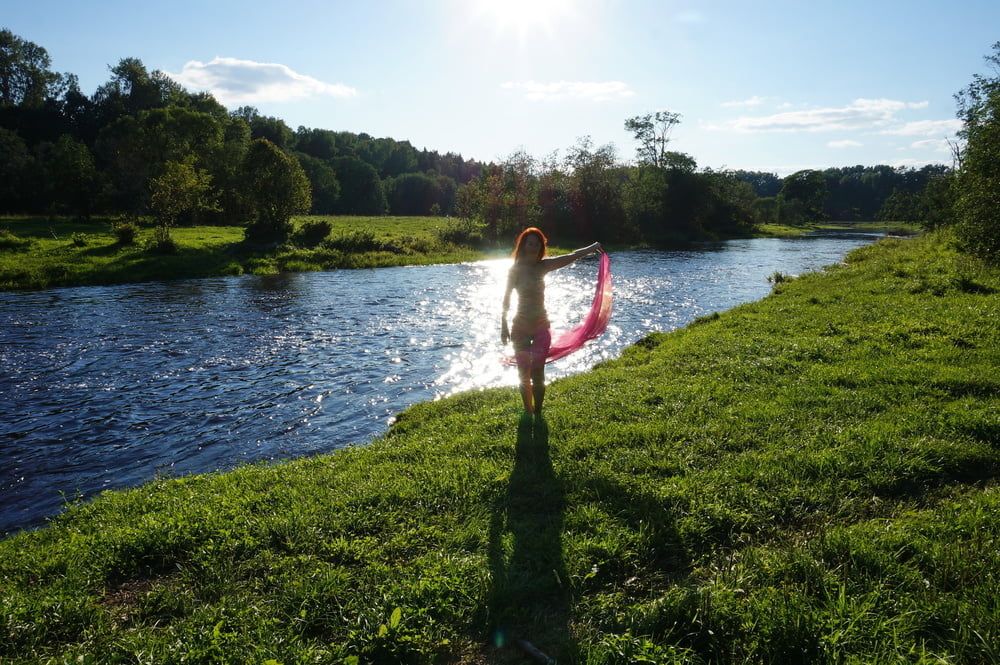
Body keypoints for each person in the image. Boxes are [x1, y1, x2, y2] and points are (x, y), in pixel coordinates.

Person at [501, 227, 602, 415]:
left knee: (538, 374)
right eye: (529, 243)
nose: (533, 246)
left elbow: (571, 256)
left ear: (541, 246)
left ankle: (537, 413)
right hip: (519, 327)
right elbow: (506, 298)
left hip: (541, 326)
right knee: (523, 374)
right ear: (523, 245)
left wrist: (593, 247)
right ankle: (528, 412)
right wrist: (503, 326)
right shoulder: (515, 270)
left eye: (537, 243)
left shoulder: (543, 266)